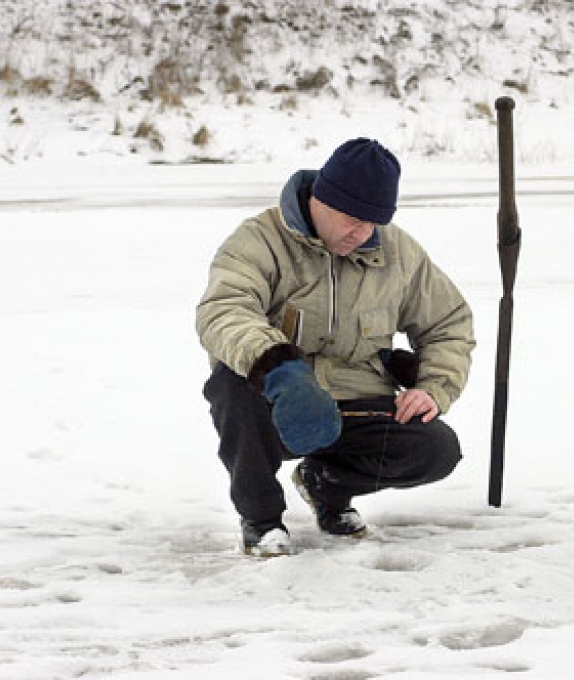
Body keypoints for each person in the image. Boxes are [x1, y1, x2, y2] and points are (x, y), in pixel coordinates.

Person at [196, 138, 475, 556]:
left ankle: (325, 485)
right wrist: (278, 367)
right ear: (322, 199)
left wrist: (433, 388)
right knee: (231, 388)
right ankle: (262, 520)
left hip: (356, 398)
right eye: (351, 219)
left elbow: (449, 323)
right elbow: (223, 309)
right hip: (279, 402)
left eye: (373, 222)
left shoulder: (398, 252)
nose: (361, 233)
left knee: (436, 449)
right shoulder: (260, 240)